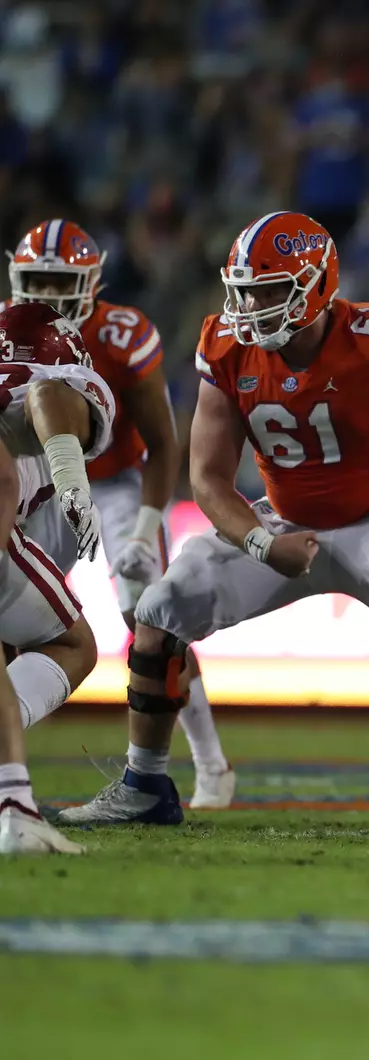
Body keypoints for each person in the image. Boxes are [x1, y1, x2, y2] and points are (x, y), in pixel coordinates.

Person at [58, 211, 369, 835]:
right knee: (159, 611)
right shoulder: (227, 345)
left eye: (269, 289)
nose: (252, 305)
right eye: (246, 289)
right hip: (286, 520)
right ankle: (144, 785)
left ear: (317, 285)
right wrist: (263, 542)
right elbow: (208, 478)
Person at [8, 219, 234, 808]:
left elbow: (163, 441)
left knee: (151, 615)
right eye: (35, 282)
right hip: (36, 487)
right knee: (15, 623)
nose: (47, 299)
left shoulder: (122, 331)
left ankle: (211, 763)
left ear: (92, 282)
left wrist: (142, 525)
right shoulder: (8, 328)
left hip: (114, 485)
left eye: (61, 284)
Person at [0, 302, 118, 854]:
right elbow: (48, 395)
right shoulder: (49, 378)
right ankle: (14, 806)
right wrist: (72, 480)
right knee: (71, 643)